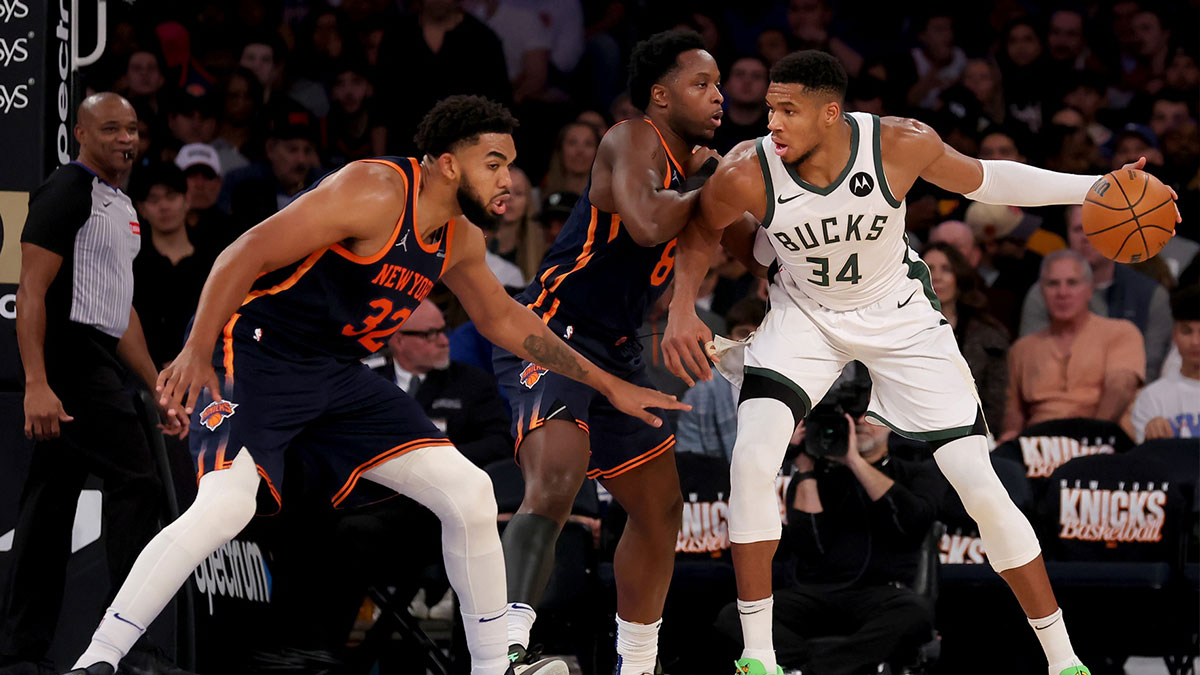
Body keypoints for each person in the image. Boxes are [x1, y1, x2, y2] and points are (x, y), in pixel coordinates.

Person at [62, 94, 685, 675]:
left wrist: (609, 385)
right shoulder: (375, 189)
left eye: (510, 166)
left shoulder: (460, 236)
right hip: (259, 356)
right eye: (493, 163)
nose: (506, 180)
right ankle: (100, 658)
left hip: (337, 375)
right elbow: (243, 252)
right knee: (225, 508)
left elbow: (504, 320)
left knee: (468, 490)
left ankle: (498, 665)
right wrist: (197, 349)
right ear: (446, 164)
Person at [662, 50, 1175, 675]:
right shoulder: (748, 169)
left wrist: (1091, 186)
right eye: (770, 108)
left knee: (979, 485)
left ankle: (1064, 659)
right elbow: (698, 234)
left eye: (787, 110)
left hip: (898, 313)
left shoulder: (899, 144)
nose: (772, 122)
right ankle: (758, 657)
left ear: (832, 113)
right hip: (805, 315)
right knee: (751, 459)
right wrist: (682, 310)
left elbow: (990, 179)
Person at [491, 30, 726, 675]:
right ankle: (505, 650)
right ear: (659, 94)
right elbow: (650, 222)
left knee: (660, 511)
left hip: (618, 350)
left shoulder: (697, 169)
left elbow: (699, 249)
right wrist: (715, 186)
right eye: (700, 84)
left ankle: (638, 663)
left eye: (719, 84)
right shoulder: (630, 136)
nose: (718, 96)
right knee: (558, 480)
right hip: (550, 330)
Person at [3, 93, 186, 675]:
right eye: (110, 129)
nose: (124, 140)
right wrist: (36, 381)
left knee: (49, 507)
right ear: (80, 131)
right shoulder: (64, 191)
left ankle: (20, 655)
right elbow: (30, 290)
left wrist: (156, 380)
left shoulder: (122, 204)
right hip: (69, 359)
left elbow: (120, 309)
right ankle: (130, 648)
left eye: (131, 129)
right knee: (139, 484)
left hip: (99, 355)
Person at [715, 402, 941, 674]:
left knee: (915, 614)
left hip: (880, 595)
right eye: (850, 415)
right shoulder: (812, 476)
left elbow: (912, 522)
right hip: (813, 594)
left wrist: (854, 461)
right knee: (735, 616)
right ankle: (837, 665)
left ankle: (809, 670)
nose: (858, 421)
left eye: (868, 415)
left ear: (892, 422)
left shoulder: (917, 472)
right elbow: (809, 545)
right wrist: (804, 466)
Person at [1019, 204, 1172, 379]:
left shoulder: (1151, 295)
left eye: (1095, 228)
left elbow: (1150, 370)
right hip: (1056, 397)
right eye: (1078, 229)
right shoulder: (1043, 292)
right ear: (1067, 233)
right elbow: (1031, 362)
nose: (1085, 237)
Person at [369, 298, 513, 468]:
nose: (444, 341)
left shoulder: (472, 381)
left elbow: (500, 442)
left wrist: (439, 460)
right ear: (398, 341)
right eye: (431, 334)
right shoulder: (369, 384)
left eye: (443, 330)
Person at [130, 163, 221, 368]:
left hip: (207, 368)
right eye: (153, 200)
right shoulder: (132, 264)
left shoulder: (213, 259)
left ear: (187, 199)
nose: (163, 206)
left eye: (171, 196)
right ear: (142, 209)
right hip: (146, 375)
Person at [922, 242, 1010, 429]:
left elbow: (994, 403)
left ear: (959, 278)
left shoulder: (988, 336)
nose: (936, 277)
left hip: (972, 433)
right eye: (928, 269)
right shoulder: (896, 331)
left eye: (946, 269)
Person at [1129, 285, 1200, 442]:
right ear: (1174, 335)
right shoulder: (1152, 398)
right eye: (1187, 331)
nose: (1195, 342)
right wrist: (1151, 440)